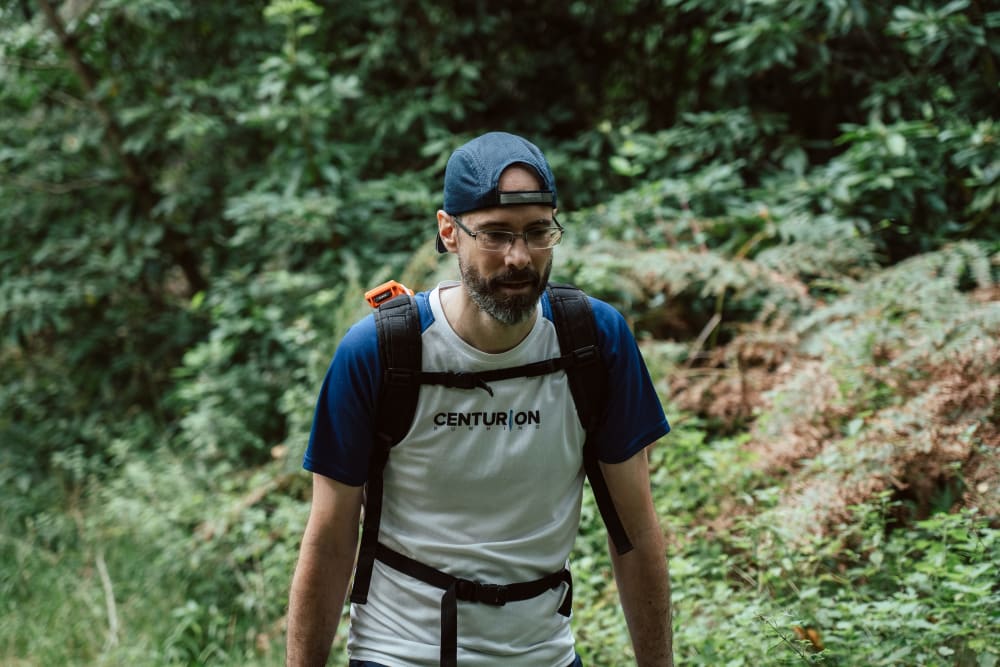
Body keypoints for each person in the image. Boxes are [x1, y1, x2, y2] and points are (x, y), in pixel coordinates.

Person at [286, 131, 673, 666]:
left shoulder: (593, 344)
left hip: (544, 655)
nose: (519, 257)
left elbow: (636, 533)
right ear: (449, 232)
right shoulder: (380, 353)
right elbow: (330, 540)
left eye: (538, 232)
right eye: (495, 234)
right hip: (401, 652)